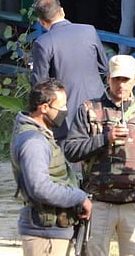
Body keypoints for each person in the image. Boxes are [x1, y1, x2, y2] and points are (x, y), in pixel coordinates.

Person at [63, 55, 135, 256]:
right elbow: (72, 150)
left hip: (133, 202)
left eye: (126, 79)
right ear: (108, 79)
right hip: (99, 202)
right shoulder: (89, 110)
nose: (121, 84)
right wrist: (105, 139)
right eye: (116, 79)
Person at [11, 79, 93, 256]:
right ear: (44, 108)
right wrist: (79, 197)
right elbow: (40, 188)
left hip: (51, 229)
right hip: (45, 234)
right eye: (61, 107)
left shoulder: (38, 135)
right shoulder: (34, 142)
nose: (65, 112)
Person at [31, 0, 107, 141]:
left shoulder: (43, 43)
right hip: (98, 105)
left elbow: (39, 85)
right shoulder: (89, 31)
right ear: (63, 11)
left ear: (41, 22)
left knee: (70, 157)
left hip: (65, 114)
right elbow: (103, 66)